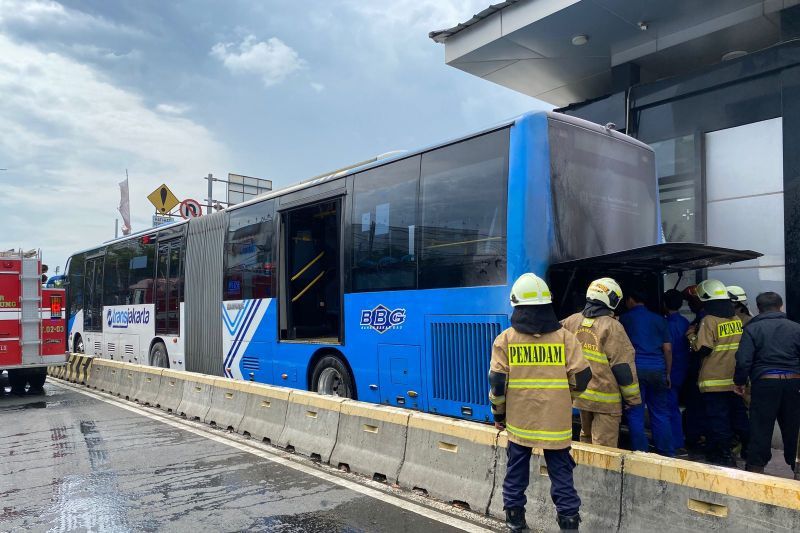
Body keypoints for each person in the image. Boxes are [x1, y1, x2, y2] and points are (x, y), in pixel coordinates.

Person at [489, 273, 592, 532]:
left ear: (516, 305)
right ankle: (569, 524)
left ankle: (516, 523)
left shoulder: (506, 339)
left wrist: (499, 414)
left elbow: (498, 384)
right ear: (547, 304)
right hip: (555, 423)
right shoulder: (566, 338)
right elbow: (582, 376)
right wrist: (566, 397)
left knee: (516, 473)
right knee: (561, 475)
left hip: (519, 423)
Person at [562, 278, 641, 448]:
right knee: (603, 448)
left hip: (582, 397)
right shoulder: (612, 327)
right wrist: (632, 399)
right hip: (606, 401)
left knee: (586, 440)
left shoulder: (571, 321)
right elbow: (623, 368)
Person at [733, 292, 800, 473]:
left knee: (760, 428)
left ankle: (756, 468)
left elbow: (744, 360)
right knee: (794, 427)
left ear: (758, 308)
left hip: (765, 383)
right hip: (794, 384)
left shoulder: (752, 329)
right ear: (781, 306)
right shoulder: (796, 328)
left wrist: (739, 382)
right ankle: (797, 466)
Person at [689, 279, 749, 466]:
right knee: (738, 416)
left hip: (713, 380)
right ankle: (748, 449)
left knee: (718, 420)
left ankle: (723, 456)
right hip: (733, 379)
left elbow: (703, 350)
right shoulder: (736, 320)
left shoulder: (709, 320)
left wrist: (691, 336)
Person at [619, 288, 674, 456]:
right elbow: (667, 349)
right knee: (660, 412)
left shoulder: (624, 319)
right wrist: (668, 373)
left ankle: (640, 452)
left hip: (636, 371)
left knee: (635, 412)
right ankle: (666, 452)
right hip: (658, 369)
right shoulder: (659, 319)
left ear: (630, 300)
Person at [663, 289, 690, 456]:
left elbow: (668, 350)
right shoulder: (685, 322)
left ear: (664, 304)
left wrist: (666, 373)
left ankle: (674, 444)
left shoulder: (667, 325)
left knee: (669, 408)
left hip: (671, 370)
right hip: (683, 369)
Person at [682, 284, 707, 452]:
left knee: (695, 407)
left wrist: (690, 334)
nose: (689, 305)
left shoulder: (704, 319)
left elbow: (699, 347)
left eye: (691, 301)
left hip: (701, 371)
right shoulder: (705, 317)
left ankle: (695, 439)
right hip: (706, 372)